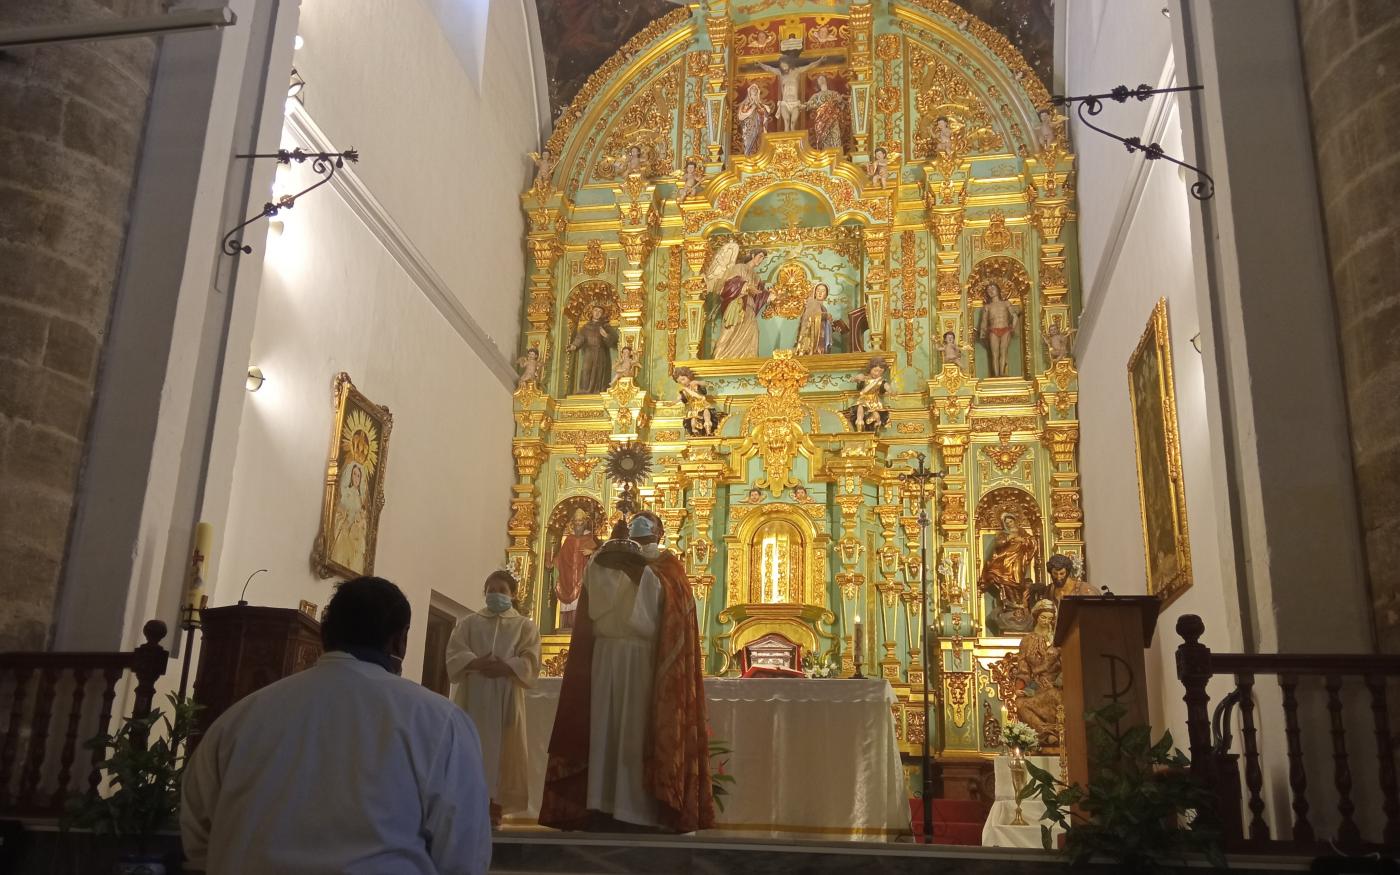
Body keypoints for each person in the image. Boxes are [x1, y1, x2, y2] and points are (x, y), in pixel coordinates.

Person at [181, 577, 490, 875]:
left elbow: (197, 837)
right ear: (400, 640)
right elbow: (463, 855)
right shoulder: (441, 722)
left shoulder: (239, 718)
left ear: (325, 634)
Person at [540, 512, 713, 833]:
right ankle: (601, 803)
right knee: (603, 726)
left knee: (636, 730)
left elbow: (673, 604)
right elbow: (594, 597)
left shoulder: (666, 565)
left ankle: (638, 809)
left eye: (647, 523)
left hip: (643, 657)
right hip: (605, 653)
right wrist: (611, 561)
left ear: (660, 531)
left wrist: (641, 574)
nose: (639, 527)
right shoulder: (605, 558)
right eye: (635, 522)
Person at [446, 571, 542, 829]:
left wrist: (507, 667)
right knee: (471, 747)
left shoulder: (524, 625)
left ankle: (495, 808)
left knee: (502, 753)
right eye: (491, 589)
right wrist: (475, 662)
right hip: (473, 695)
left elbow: (531, 658)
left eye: (502, 590)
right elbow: (455, 652)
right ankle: (469, 806)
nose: (496, 594)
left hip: (506, 695)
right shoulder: (468, 623)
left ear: (512, 594)